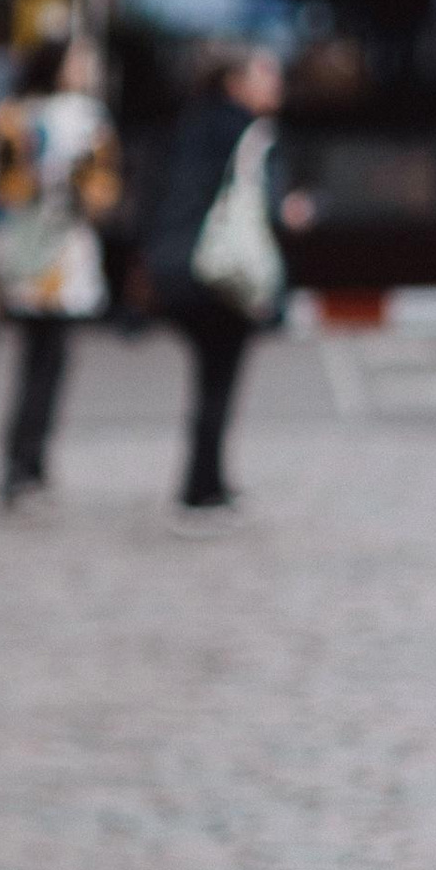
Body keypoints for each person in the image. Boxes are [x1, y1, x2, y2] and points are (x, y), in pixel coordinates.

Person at [143, 39, 307, 524]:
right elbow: (266, 208)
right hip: (221, 272)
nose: (275, 84)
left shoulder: (187, 124)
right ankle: (202, 490)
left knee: (210, 379)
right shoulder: (251, 134)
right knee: (219, 380)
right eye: (266, 74)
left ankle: (207, 482)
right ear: (236, 83)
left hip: (177, 265)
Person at [0, 32, 122, 508]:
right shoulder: (88, 118)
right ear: (59, 65)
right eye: (81, 60)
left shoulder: (7, 115)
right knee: (50, 362)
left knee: (32, 358)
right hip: (63, 255)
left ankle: (21, 464)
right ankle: (27, 464)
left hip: (15, 252)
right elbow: (103, 192)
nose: (88, 67)